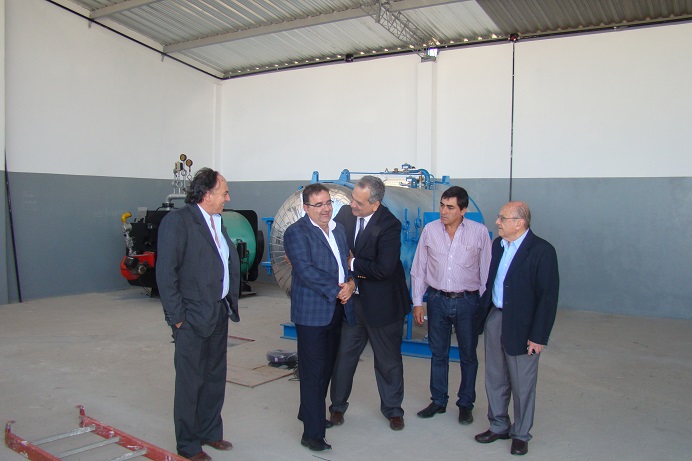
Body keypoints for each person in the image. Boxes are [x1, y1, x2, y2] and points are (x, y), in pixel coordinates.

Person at [156, 168, 240, 461]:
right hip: (191, 316)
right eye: (224, 193)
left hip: (218, 311)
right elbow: (166, 273)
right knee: (190, 382)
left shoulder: (218, 221)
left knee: (215, 376)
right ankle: (188, 444)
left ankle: (210, 431)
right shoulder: (178, 222)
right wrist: (177, 318)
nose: (228, 198)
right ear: (206, 194)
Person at [473, 201, 559, 456]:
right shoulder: (498, 245)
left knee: (523, 384)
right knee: (495, 377)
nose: (497, 222)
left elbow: (547, 298)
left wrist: (538, 336)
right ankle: (498, 425)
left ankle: (521, 434)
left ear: (519, 223)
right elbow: (492, 282)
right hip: (496, 318)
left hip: (524, 326)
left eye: (502, 218)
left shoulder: (542, 251)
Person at [328, 175, 411, 431]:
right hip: (353, 304)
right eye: (353, 198)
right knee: (344, 358)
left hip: (383, 305)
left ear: (375, 204)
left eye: (359, 203)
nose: (353, 205)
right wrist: (354, 273)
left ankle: (393, 410)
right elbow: (335, 246)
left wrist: (353, 263)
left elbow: (384, 269)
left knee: (388, 361)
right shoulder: (345, 213)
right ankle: (337, 407)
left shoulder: (389, 225)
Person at [283, 183, 356, 452]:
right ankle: (312, 435)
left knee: (326, 367)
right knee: (313, 371)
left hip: (337, 308)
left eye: (328, 203)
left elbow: (345, 263)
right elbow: (305, 270)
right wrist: (338, 290)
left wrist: (351, 284)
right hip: (312, 312)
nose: (325, 209)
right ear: (306, 208)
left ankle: (308, 412)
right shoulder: (296, 232)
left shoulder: (339, 230)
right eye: (318, 205)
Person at [410, 186, 491, 425]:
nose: (444, 211)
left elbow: (486, 272)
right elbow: (419, 269)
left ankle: (465, 403)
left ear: (463, 210)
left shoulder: (479, 233)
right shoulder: (430, 230)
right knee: (438, 353)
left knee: (468, 355)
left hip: (468, 302)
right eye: (442, 206)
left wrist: (484, 309)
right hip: (437, 300)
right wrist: (418, 302)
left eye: (450, 207)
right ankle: (438, 400)